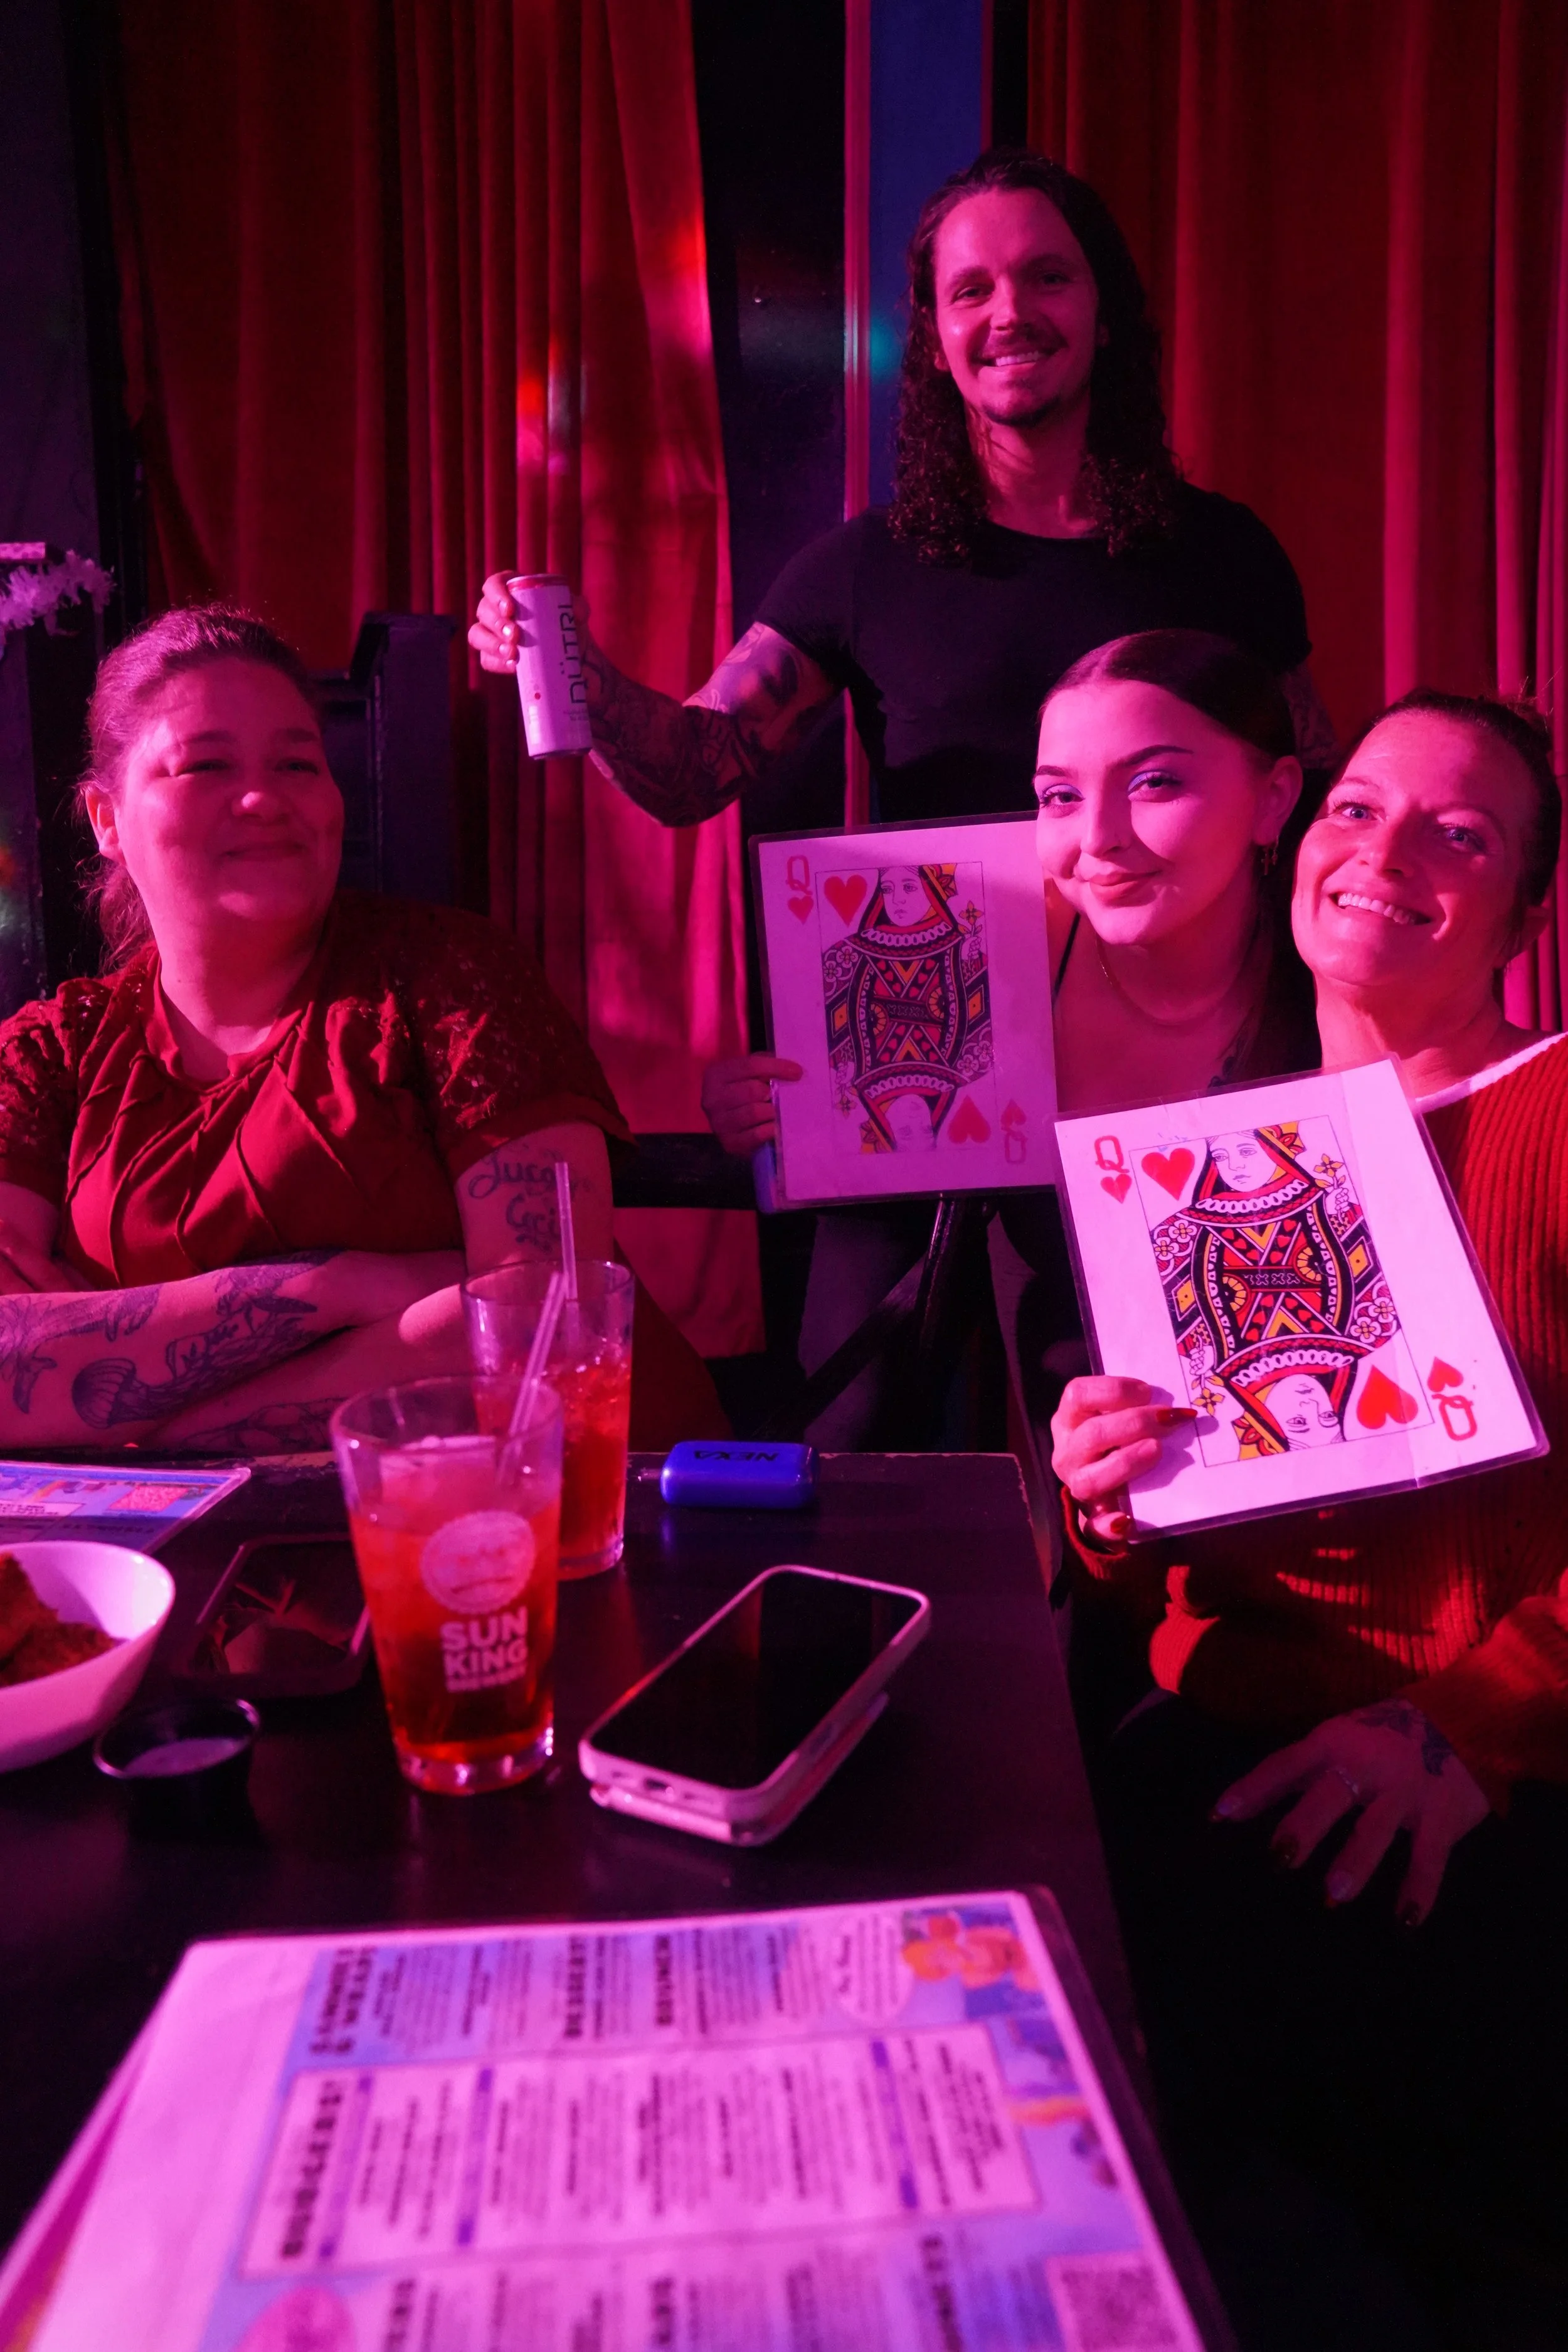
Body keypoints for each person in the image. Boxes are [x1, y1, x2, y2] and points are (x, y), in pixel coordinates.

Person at [472, 146, 1334, 1437]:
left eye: (1045, 276)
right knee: (862, 1458)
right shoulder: (861, 569)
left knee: (1166, 1455)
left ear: (1103, 307)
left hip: (1164, 1080)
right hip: (917, 1085)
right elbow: (696, 769)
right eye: (968, 289)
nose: (1008, 313)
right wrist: (576, 676)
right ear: (930, 336)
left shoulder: (1224, 556)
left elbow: (1313, 800)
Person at [1051, 689, 1568, 2338]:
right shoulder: (1229, 1146)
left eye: (1457, 831)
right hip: (1193, 1761)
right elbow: (1169, 1539)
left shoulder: (1555, 1112)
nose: (1382, 850)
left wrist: (1467, 1727)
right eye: (1353, 805)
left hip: (1452, 1808)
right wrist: (1106, 1489)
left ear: (1520, 912)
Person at [0, 606, 721, 1454]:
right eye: (206, 764)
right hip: (179, 1556)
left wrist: (150, 1418)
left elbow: (541, 1319)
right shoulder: (53, 1049)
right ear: (107, 820)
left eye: (299, 762)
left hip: (557, 1516)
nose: (266, 796)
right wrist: (343, 1286)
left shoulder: (451, 977)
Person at [714, 631, 1314, 1450]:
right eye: (1059, 796)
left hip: (1286, 1454)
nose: (1098, 836)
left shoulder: (1336, 980)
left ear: (1274, 796)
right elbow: (847, 1404)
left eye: (1156, 782)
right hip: (1068, 1488)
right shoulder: (986, 945)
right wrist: (785, 1120)